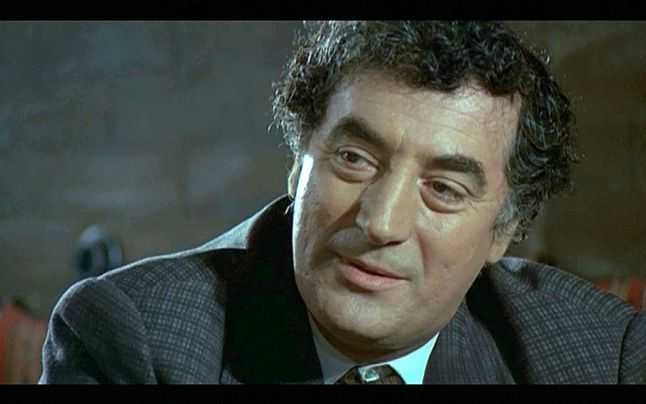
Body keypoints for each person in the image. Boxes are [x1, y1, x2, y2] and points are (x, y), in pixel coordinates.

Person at [39, 21, 646, 384]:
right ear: (297, 163)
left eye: (443, 189)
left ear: (502, 233)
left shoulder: (598, 355)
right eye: (355, 159)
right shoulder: (137, 342)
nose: (380, 222)